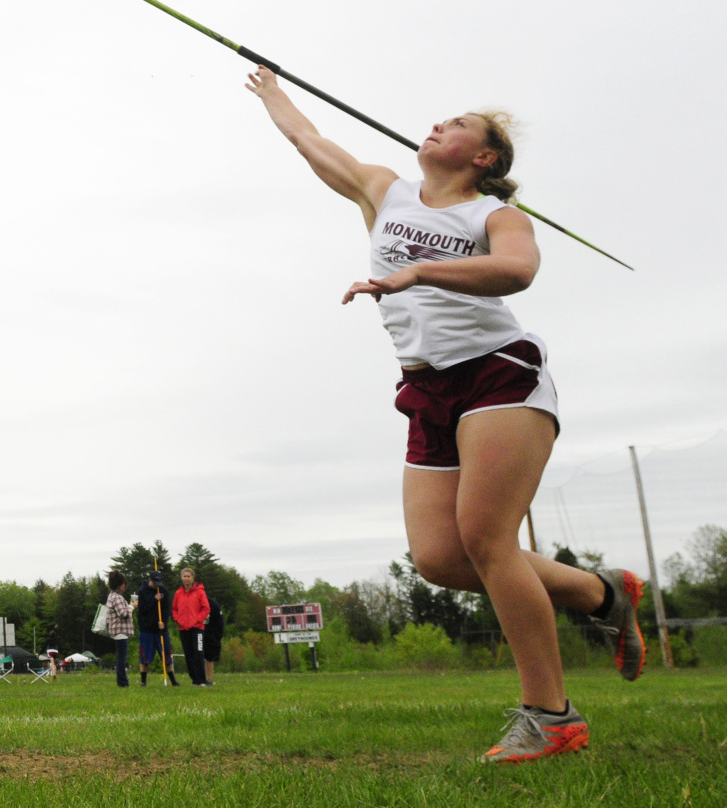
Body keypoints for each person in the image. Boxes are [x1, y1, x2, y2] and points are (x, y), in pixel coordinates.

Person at [246, 66, 646, 763]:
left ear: (485, 157)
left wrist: (421, 271)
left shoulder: (493, 216)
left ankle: (553, 717)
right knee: (439, 558)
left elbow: (517, 271)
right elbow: (311, 142)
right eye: (440, 120)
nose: (439, 125)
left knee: (486, 537)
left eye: (458, 124)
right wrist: (273, 91)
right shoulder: (384, 190)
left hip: (498, 372)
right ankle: (599, 593)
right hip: (426, 389)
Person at [136, 571, 180, 687]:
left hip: (161, 630)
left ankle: (173, 681)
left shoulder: (163, 591)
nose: (157, 585)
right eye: (155, 583)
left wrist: (164, 622)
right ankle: (143, 681)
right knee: (145, 657)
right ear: (150, 580)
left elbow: (166, 609)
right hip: (146, 629)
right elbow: (142, 610)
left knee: (167, 655)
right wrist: (154, 600)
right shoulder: (142, 592)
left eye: (159, 582)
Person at [171, 567, 210, 686]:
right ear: (181, 578)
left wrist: (198, 620)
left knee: (198, 653)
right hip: (183, 628)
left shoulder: (200, 592)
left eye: (188, 576)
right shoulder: (178, 593)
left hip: (197, 628)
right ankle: (194, 680)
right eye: (184, 576)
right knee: (188, 654)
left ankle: (202, 680)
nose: (186, 579)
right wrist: (178, 619)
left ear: (193, 578)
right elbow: (174, 609)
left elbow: (206, 608)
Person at [106, 570, 137, 687]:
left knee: (121, 658)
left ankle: (122, 682)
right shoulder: (117, 597)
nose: (125, 587)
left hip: (118, 631)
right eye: (125, 584)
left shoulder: (112, 596)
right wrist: (131, 606)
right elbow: (123, 613)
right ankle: (123, 683)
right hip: (120, 631)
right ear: (120, 584)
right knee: (121, 659)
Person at [203, 596, 224, 685]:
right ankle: (198, 678)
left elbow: (220, 621)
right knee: (196, 657)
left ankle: (209, 679)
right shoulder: (193, 602)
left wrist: (218, 636)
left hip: (209, 634)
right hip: (196, 632)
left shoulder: (213, 604)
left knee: (209, 658)